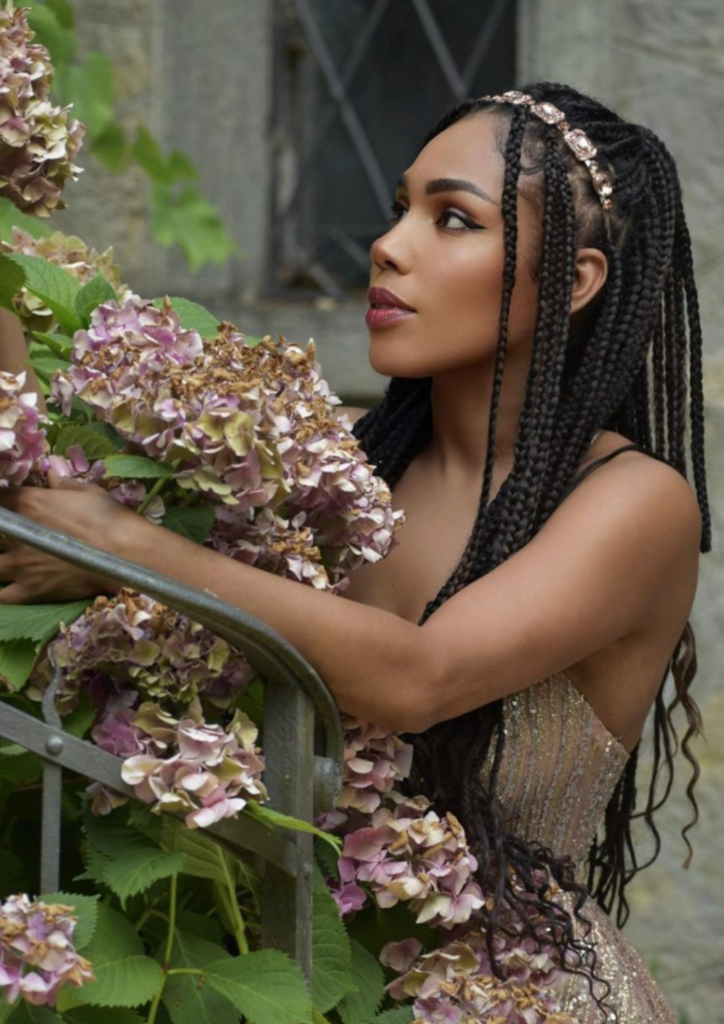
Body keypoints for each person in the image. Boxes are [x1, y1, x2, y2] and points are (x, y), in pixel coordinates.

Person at [0, 83, 710, 1021]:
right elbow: (43, 477)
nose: (390, 245)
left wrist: (121, 547)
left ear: (574, 282)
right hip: (301, 970)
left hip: (515, 1000)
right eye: (399, 209)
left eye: (452, 218)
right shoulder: (339, 469)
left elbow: (418, 678)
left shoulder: (635, 507)